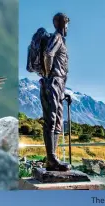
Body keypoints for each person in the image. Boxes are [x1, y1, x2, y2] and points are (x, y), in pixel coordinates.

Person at [40, 12, 71, 171]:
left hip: (59, 84)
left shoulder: (61, 39)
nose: (67, 27)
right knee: (51, 119)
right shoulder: (57, 37)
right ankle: (51, 158)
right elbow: (48, 54)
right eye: (66, 23)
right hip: (53, 81)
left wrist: (62, 90)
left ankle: (53, 159)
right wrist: (48, 75)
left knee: (58, 120)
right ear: (63, 23)